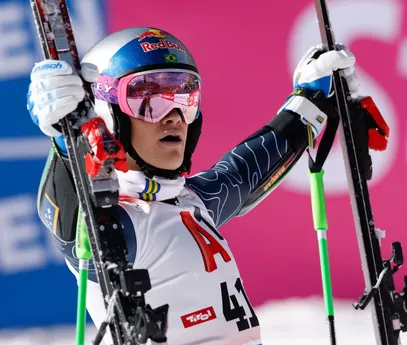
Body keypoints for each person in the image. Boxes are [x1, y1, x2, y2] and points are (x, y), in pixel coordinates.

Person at [27, 27, 361, 345]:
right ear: (109, 111)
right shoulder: (119, 224)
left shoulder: (191, 202)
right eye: (148, 98)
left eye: (184, 96)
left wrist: (311, 99)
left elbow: (250, 168)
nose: (172, 115)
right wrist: (66, 138)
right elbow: (72, 224)